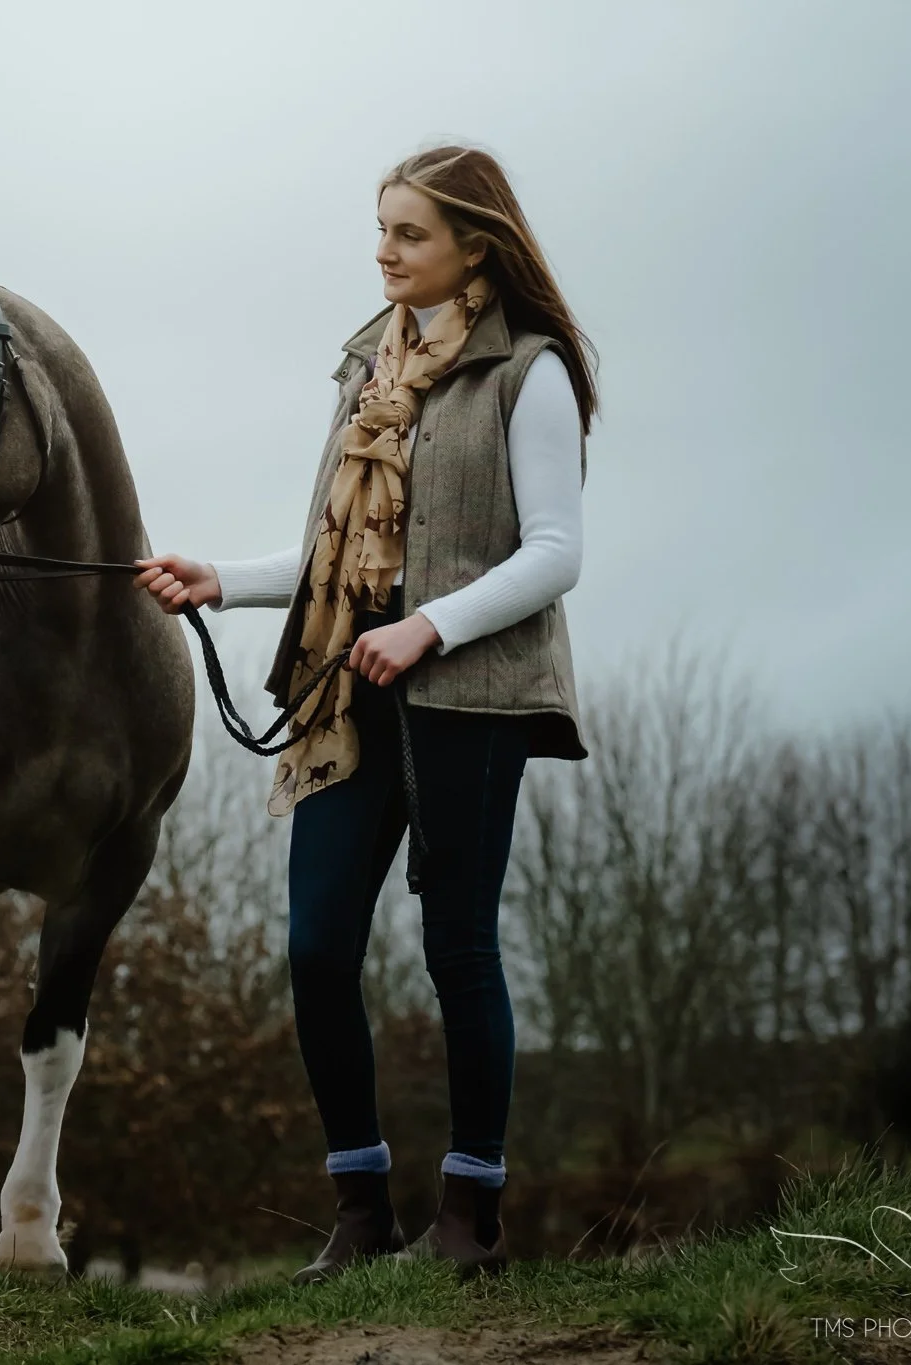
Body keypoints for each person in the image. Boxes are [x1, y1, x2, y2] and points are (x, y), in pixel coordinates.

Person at [133, 144, 596, 1282]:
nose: (382, 253)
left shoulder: (525, 371)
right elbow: (335, 552)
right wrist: (220, 580)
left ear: (473, 247)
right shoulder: (367, 369)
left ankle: (470, 1216)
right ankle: (359, 1209)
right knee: (315, 948)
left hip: (468, 699)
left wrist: (428, 626)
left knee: (458, 952)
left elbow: (554, 555)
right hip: (350, 691)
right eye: (379, 229)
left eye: (408, 235)